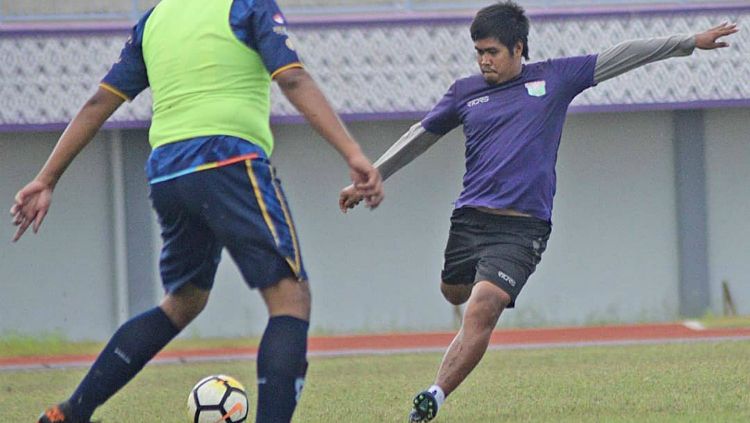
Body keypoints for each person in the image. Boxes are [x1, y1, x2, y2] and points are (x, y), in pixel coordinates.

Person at [338, 2, 738, 421]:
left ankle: (434, 395)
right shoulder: (464, 92)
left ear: (518, 48)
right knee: (454, 292)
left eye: (492, 51)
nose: (484, 60)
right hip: (470, 219)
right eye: (478, 52)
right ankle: (462, 300)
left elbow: (624, 55)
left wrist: (689, 42)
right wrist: (371, 177)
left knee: (483, 305)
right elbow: (420, 136)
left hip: (522, 229)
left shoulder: (555, 78)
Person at [11, 0, 384, 421]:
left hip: (168, 174)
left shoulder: (154, 19)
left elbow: (99, 101)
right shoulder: (246, 6)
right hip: (228, 161)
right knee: (290, 299)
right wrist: (352, 152)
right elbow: (293, 79)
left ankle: (70, 412)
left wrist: (47, 178)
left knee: (183, 301)